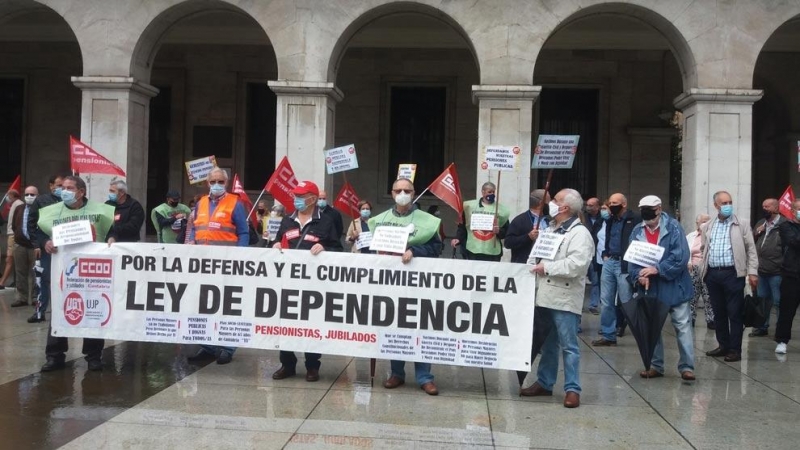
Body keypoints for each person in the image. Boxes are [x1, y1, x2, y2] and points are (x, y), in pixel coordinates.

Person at [521, 189, 593, 408]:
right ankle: (544, 382)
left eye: (556, 200)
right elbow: (535, 257)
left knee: (569, 345)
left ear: (565, 208)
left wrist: (547, 267)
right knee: (548, 344)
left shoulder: (580, 234)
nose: (551, 203)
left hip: (564, 298)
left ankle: (573, 389)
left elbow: (578, 265)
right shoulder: (549, 229)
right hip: (542, 296)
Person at [372, 178, 443, 395]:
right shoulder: (379, 220)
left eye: (407, 190)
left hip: (418, 285)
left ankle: (425, 377)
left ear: (414, 193)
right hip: (390, 284)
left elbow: (436, 247)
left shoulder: (427, 221)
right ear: (392, 193)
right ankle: (396, 373)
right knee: (395, 327)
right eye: (398, 190)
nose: (403, 193)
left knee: (421, 328)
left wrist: (415, 251)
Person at [38, 175, 115, 372]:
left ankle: (93, 356)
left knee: (93, 310)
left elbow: (114, 230)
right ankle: (55, 356)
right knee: (60, 310)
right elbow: (36, 231)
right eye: (62, 187)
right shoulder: (50, 212)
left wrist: (113, 238)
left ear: (81, 192)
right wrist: (44, 242)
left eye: (69, 188)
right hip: (63, 272)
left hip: (91, 272)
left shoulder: (100, 211)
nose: (64, 191)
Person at [271, 181, 341, 382]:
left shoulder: (326, 221)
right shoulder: (287, 220)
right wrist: (275, 245)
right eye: (296, 196)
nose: (297, 200)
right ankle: (287, 364)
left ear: (312, 198)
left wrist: (325, 249)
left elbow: (338, 249)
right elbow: (277, 241)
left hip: (314, 285)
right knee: (285, 323)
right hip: (287, 283)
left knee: (311, 324)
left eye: (301, 196)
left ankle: (312, 366)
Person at [185, 168, 250, 365]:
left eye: (220, 181)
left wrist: (238, 257)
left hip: (227, 267)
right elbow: (195, 229)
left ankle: (228, 348)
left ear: (226, 183)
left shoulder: (235, 203)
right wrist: (190, 242)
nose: (216, 184)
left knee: (228, 307)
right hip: (203, 267)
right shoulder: (200, 204)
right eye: (213, 181)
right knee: (205, 306)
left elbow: (244, 233)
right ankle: (208, 347)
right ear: (207, 183)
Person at [628, 196, 696, 381]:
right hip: (651, 289)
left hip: (675, 286)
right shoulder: (637, 230)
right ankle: (655, 365)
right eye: (643, 209)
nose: (645, 212)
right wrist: (639, 276)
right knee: (652, 328)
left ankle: (687, 367)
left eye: (649, 209)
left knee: (682, 327)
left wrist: (657, 269)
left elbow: (680, 257)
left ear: (659, 209)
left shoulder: (674, 227)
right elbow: (632, 260)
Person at [700, 191, 758, 362]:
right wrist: (704, 268)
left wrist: (753, 271)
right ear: (716, 205)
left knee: (734, 313)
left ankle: (735, 349)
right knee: (719, 312)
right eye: (724, 203)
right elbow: (704, 248)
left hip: (733, 274)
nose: (728, 206)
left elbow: (751, 249)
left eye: (730, 202)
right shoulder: (708, 225)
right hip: (712, 274)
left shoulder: (742, 224)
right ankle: (723, 345)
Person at [592, 193, 641, 346]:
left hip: (625, 263)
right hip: (609, 261)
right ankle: (608, 335)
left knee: (626, 300)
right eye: (610, 202)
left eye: (615, 203)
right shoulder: (610, 220)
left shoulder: (635, 219)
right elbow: (606, 237)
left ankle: (639, 333)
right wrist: (605, 253)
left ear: (624, 204)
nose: (611, 205)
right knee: (606, 300)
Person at [27, 175, 63, 323]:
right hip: (46, 248)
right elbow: (31, 224)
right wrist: (37, 244)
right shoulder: (41, 201)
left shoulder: (69, 202)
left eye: (65, 187)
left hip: (65, 247)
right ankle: (40, 312)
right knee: (43, 280)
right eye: (59, 185)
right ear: (51, 186)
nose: (62, 189)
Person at [751, 198, 785, 337]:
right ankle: (762, 327)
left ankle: (781, 329)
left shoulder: (784, 225)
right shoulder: (761, 223)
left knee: (778, 301)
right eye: (763, 206)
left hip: (777, 271)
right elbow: (752, 242)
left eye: (768, 206)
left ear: (776, 208)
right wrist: (757, 233)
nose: (764, 209)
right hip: (761, 270)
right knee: (762, 299)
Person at [451, 182, 510, 261]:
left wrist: (499, 231)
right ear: (483, 192)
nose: (492, 194)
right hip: (473, 249)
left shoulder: (501, 210)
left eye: (493, 192)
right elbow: (463, 226)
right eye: (489, 192)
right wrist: (458, 238)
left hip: (492, 251)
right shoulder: (470, 207)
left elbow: (506, 231)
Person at [775, 199, 800, 354]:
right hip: (792, 275)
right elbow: (794, 242)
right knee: (787, 310)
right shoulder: (786, 226)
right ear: (792, 210)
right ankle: (782, 341)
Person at [9, 187, 38, 311]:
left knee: (36, 273)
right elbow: (15, 225)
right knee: (20, 272)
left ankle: (36, 297)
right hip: (20, 245)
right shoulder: (19, 208)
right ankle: (22, 297)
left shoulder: (40, 208)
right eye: (27, 194)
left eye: (32, 194)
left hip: (35, 246)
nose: (29, 196)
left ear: (37, 195)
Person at [504, 189, 549, 264]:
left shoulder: (550, 221)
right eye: (548, 201)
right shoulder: (519, 220)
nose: (550, 204)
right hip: (524, 265)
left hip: (544, 264)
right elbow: (508, 243)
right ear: (541, 203)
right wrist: (528, 237)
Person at [687, 214, 714, 328]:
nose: (705, 223)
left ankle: (711, 319)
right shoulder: (690, 236)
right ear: (697, 223)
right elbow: (686, 250)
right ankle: (690, 318)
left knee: (708, 295)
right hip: (693, 267)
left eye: (707, 221)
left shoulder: (712, 235)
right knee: (692, 294)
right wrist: (688, 262)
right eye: (703, 221)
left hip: (707, 267)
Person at [584, 197, 605, 314]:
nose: (589, 207)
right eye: (587, 205)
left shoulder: (603, 219)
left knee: (596, 280)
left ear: (598, 206)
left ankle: (593, 304)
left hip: (597, 253)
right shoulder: (582, 217)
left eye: (591, 205)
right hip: (584, 252)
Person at [0, 189, 22, 291]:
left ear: (12, 196)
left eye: (8, 196)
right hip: (12, 234)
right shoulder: (15, 204)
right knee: (12, 259)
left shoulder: (18, 204)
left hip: (13, 235)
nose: (7, 198)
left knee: (9, 259)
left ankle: (2, 282)